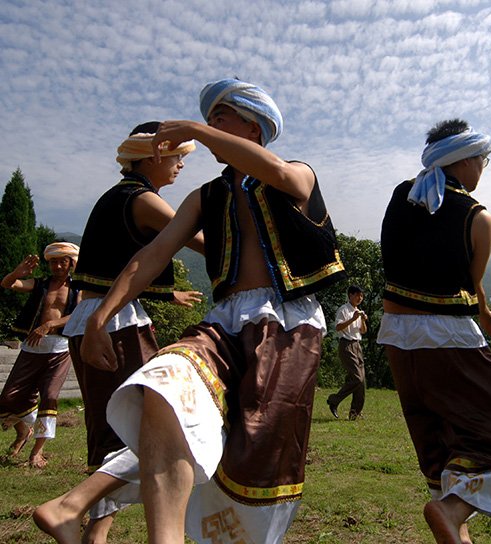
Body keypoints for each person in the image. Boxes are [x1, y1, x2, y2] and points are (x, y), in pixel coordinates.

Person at [34, 78, 346, 544]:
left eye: (221, 116)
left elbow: (281, 175)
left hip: (287, 323)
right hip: (224, 323)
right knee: (163, 387)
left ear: (254, 125)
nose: (209, 125)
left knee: (259, 450)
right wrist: (99, 317)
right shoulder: (205, 197)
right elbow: (153, 255)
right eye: (209, 117)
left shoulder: (297, 172)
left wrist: (197, 131)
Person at [378, 119, 491, 544]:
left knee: (436, 437)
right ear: (464, 159)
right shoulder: (478, 217)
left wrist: (484, 309)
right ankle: (452, 508)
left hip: (397, 335)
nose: (484, 167)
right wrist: (478, 309)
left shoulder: (400, 196)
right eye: (483, 159)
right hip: (448, 336)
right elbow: (468, 277)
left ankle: (456, 532)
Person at [58, 122, 203, 543]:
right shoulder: (144, 201)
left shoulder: (117, 197)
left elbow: (121, 265)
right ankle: (75, 513)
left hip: (100, 316)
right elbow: (203, 242)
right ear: (154, 154)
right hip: (115, 323)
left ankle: (93, 533)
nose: (180, 165)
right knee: (147, 430)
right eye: (177, 156)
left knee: (118, 429)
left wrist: (165, 293)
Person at [0, 242, 80, 468]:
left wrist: (50, 324)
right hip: (32, 347)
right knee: (8, 398)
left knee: (50, 396)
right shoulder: (40, 284)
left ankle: (37, 452)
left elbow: (80, 313)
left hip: (59, 349)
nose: (57, 265)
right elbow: (8, 284)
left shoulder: (78, 288)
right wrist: (17, 273)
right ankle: (24, 431)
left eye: (62, 261)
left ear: (71, 263)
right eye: (53, 261)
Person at [327, 285, 368, 420]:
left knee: (361, 381)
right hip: (346, 345)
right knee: (357, 377)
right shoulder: (343, 310)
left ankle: (354, 412)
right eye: (357, 295)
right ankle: (334, 400)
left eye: (361, 296)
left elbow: (363, 331)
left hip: (357, 345)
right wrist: (353, 318)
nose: (359, 298)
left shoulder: (358, 311)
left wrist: (361, 319)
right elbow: (338, 327)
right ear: (350, 295)